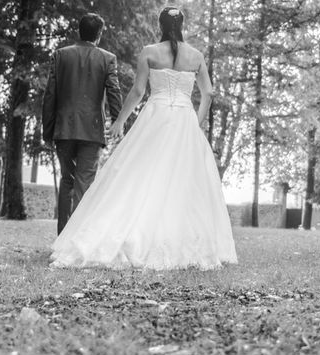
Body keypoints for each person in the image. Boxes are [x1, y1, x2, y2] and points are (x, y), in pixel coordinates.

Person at [50, 6, 238, 270]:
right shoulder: (196, 56)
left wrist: (120, 121)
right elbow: (207, 93)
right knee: (184, 182)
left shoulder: (149, 52)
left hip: (156, 117)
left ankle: (133, 233)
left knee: (139, 175)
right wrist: (196, 122)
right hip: (185, 121)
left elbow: (138, 92)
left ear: (159, 25)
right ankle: (177, 238)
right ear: (182, 25)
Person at [42, 13, 122, 234]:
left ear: (79, 31)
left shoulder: (60, 55)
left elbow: (50, 95)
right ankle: (75, 240)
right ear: (99, 34)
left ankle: (62, 238)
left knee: (66, 180)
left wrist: (47, 132)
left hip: (64, 129)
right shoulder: (107, 59)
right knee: (84, 185)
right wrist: (118, 120)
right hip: (92, 130)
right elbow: (114, 91)